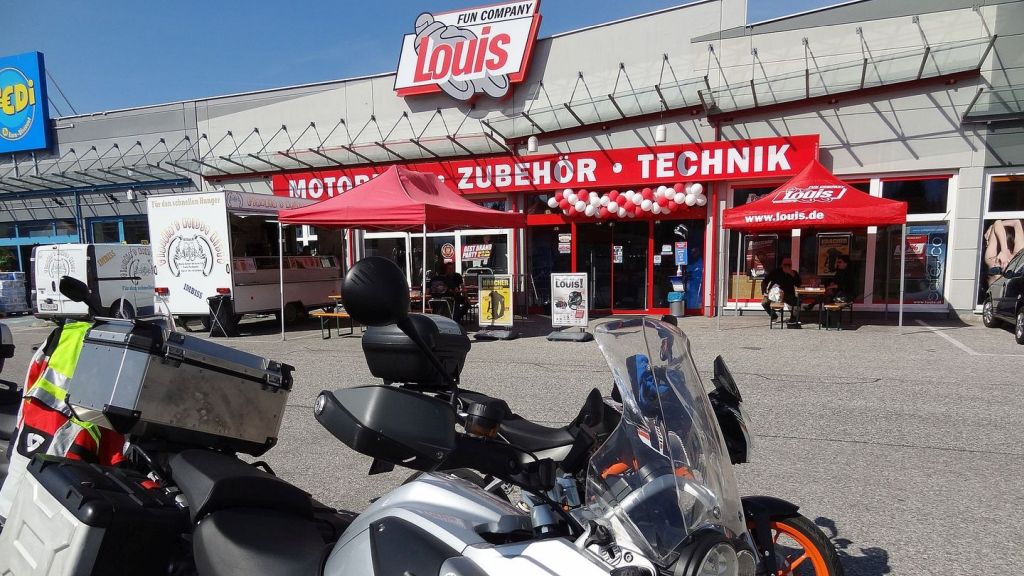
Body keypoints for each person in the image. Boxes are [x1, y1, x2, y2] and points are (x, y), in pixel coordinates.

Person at [761, 257, 801, 325]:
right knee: (764, 303)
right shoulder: (775, 272)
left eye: (789, 265)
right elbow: (765, 281)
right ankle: (774, 316)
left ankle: (793, 318)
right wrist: (765, 292)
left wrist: (792, 274)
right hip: (775, 294)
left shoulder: (794, 273)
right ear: (781, 265)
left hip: (788, 294)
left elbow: (799, 284)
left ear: (791, 265)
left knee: (798, 302)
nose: (787, 267)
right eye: (785, 265)